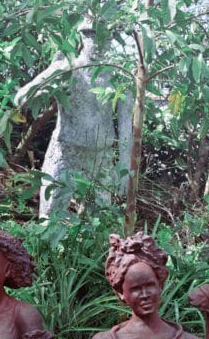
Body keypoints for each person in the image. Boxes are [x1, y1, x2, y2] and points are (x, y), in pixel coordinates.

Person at [14, 17, 133, 217]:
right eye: (93, 36)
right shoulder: (68, 70)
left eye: (106, 37)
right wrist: (50, 73)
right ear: (83, 37)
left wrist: (124, 167)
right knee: (50, 215)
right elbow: (21, 99)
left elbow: (126, 126)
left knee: (101, 220)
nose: (99, 43)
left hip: (100, 157)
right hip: (66, 152)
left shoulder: (119, 77)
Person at [84, 233, 206, 339]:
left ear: (160, 285)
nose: (144, 294)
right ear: (121, 293)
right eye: (135, 289)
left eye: (150, 285)